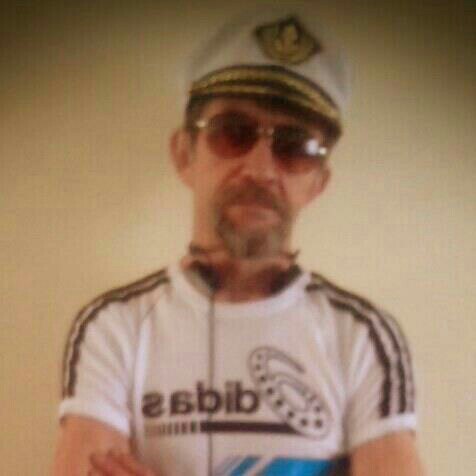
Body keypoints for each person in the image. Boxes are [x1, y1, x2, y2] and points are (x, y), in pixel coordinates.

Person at [54, 5, 425, 476]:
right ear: (184, 154)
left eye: (295, 147)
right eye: (233, 133)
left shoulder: (364, 336)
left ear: (318, 182)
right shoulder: (114, 326)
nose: (260, 168)